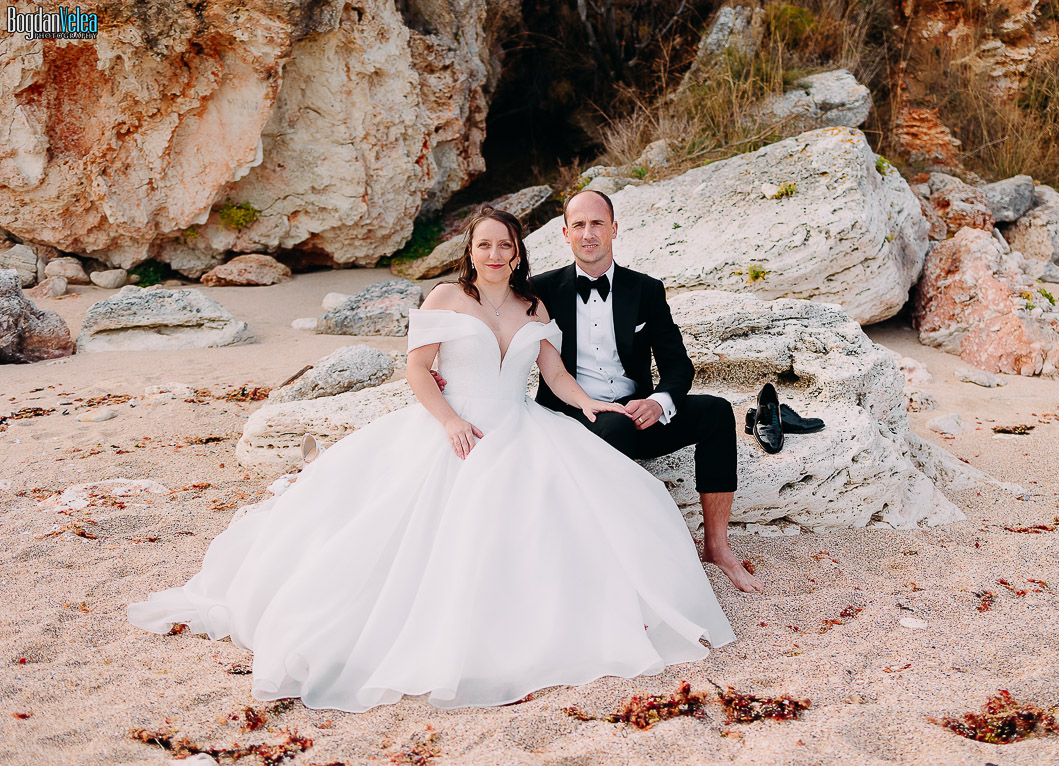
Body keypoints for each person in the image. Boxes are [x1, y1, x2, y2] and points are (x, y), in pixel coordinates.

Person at [126, 206, 734, 712]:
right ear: (470, 251)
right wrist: (449, 421)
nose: (494, 253)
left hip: (521, 424)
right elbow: (418, 370)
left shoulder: (534, 306)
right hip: (454, 426)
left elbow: (555, 374)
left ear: (518, 254)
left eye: (505, 245)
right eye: (484, 244)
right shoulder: (445, 296)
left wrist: (592, 406)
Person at [532, 189, 765, 593]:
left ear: (614, 229)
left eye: (597, 223)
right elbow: (494, 319)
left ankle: (717, 546)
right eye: (579, 225)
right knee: (615, 429)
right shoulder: (540, 290)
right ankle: (621, 561)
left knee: (716, 411)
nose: (589, 233)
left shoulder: (645, 289)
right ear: (566, 234)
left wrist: (658, 402)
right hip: (573, 416)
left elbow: (678, 365)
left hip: (636, 413)